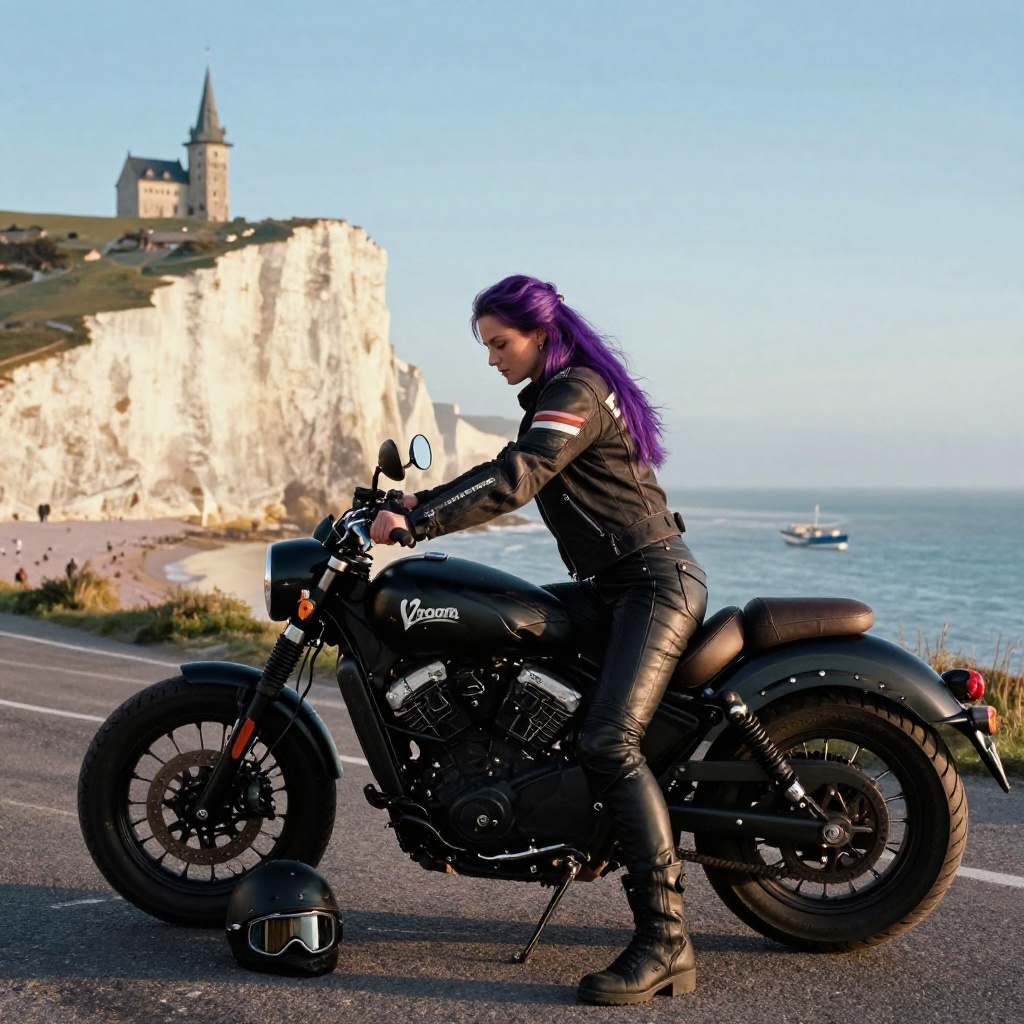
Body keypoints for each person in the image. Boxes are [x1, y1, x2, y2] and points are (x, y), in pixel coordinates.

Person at [370, 275, 708, 1005]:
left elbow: (517, 476)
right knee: (509, 642)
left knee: (608, 741)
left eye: (500, 342)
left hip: (651, 585)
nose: (491, 358)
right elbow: (510, 471)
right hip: (617, 586)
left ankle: (665, 941)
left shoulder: (575, 391)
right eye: (486, 345)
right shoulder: (566, 391)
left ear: (539, 333)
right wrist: (413, 501)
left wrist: (420, 523)